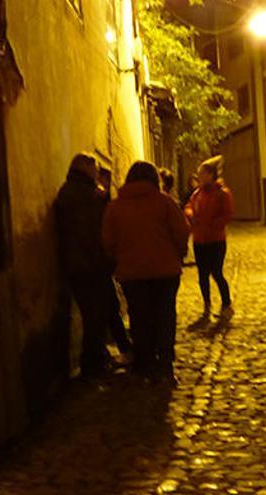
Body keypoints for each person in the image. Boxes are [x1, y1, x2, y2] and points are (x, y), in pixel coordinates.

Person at [102, 161, 190, 383]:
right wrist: (178, 255)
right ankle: (165, 366)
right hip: (165, 272)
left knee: (140, 318)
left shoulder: (115, 207)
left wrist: (120, 259)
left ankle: (146, 364)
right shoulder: (164, 203)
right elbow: (181, 231)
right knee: (165, 316)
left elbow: (107, 241)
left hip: (132, 273)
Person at [55, 153, 115, 378]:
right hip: (90, 265)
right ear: (87, 169)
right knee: (95, 317)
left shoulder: (68, 191)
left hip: (75, 264)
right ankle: (93, 366)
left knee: (93, 315)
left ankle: (95, 361)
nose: (98, 173)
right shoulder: (85, 196)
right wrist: (106, 260)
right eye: (95, 168)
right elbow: (92, 232)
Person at [184, 155, 235, 322]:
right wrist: (191, 215)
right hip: (199, 240)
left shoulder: (222, 193)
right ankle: (206, 304)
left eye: (203, 173)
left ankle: (226, 304)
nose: (199, 176)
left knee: (217, 272)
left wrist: (212, 224)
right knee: (202, 275)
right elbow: (189, 206)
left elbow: (227, 214)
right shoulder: (197, 193)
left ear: (211, 174)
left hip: (216, 240)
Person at [96, 167, 134, 365]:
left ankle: (131, 351)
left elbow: (108, 237)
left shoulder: (114, 205)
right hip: (98, 264)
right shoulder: (100, 201)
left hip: (125, 267)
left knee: (129, 309)